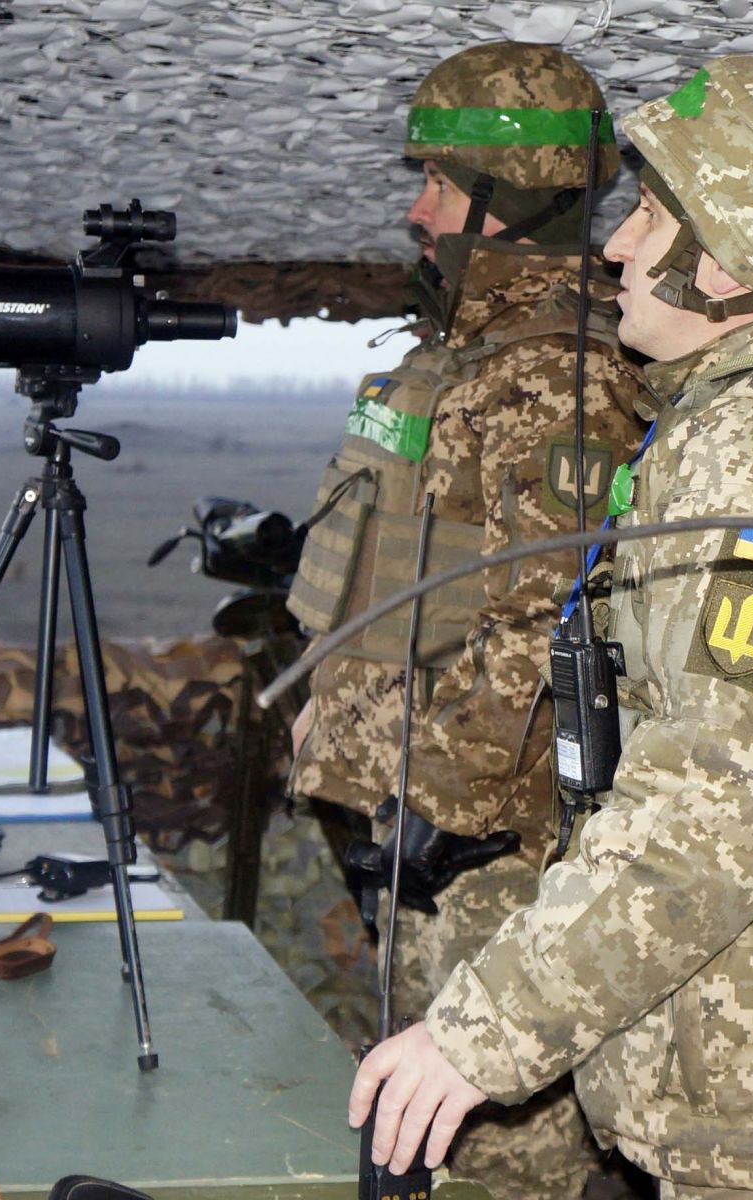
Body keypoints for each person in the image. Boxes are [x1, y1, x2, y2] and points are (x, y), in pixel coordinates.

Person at [348, 54, 753, 1200]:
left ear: (741, 256)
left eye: (652, 214)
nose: (615, 245)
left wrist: (480, 1034)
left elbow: (721, 799)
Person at [285, 41, 646, 1200]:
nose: (414, 207)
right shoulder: (460, 361)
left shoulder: (566, 372)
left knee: (495, 1167)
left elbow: (540, 623)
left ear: (509, 197)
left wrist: (444, 814)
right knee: (419, 1145)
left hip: (481, 861)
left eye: (437, 183)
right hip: (412, 832)